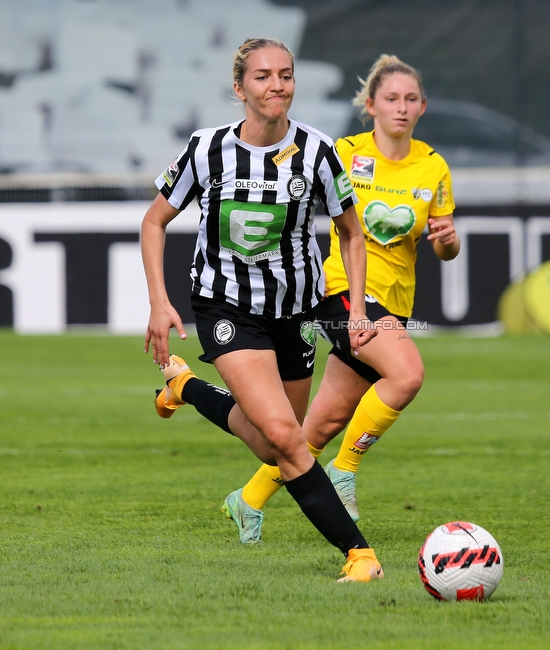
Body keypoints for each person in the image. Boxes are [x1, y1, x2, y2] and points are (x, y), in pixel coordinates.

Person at [141, 37, 384, 582]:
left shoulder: (319, 151)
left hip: (296, 311)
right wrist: (160, 302)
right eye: (263, 76)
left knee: (275, 442)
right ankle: (359, 555)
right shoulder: (207, 149)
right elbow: (153, 221)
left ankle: (184, 388)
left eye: (286, 75)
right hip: (227, 307)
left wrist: (360, 306)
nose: (277, 85)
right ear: (239, 87)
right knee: (285, 438)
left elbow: (351, 233)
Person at [212, 54, 459, 543]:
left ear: (424, 106)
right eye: (391, 98)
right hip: (339, 291)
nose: (401, 107)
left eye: (411, 99)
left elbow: (443, 248)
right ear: (371, 105)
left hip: (395, 302)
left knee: (318, 426)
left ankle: (248, 500)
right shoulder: (342, 151)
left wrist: (448, 240)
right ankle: (344, 472)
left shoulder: (433, 167)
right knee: (407, 375)